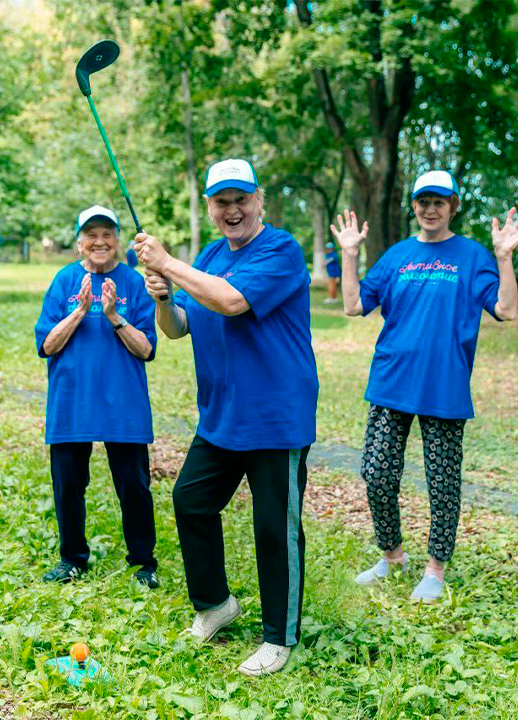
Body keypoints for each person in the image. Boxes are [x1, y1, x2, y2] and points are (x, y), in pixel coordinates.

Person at [134, 159, 318, 677]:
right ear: (210, 207)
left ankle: (280, 638)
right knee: (191, 500)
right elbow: (178, 328)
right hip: (222, 415)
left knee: (273, 527)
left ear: (260, 200)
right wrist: (164, 300)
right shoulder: (212, 255)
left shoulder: (281, 250)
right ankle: (216, 604)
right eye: (221, 201)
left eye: (241, 199)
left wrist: (170, 264)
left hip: (275, 416)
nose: (232, 210)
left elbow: (233, 302)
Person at [332, 170, 518, 603]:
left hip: (444, 386)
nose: (430, 209)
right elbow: (353, 305)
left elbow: (507, 309)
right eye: (423, 201)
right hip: (391, 381)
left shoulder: (473, 255)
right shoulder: (397, 255)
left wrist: (503, 257)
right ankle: (392, 556)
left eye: (439, 202)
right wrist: (349, 256)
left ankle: (435, 570)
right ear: (415, 206)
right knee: (376, 474)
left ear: (453, 207)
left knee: (443, 482)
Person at [34, 205, 159, 589]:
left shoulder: (134, 283)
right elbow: (46, 345)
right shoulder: (63, 280)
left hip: (123, 404)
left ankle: (144, 563)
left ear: (118, 241)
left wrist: (113, 316)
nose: (99, 241)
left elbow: (146, 349)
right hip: (72, 402)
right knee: (68, 485)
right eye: (91, 235)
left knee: (134, 486)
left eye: (107, 234)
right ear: (79, 243)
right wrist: (79, 313)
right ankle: (72, 558)